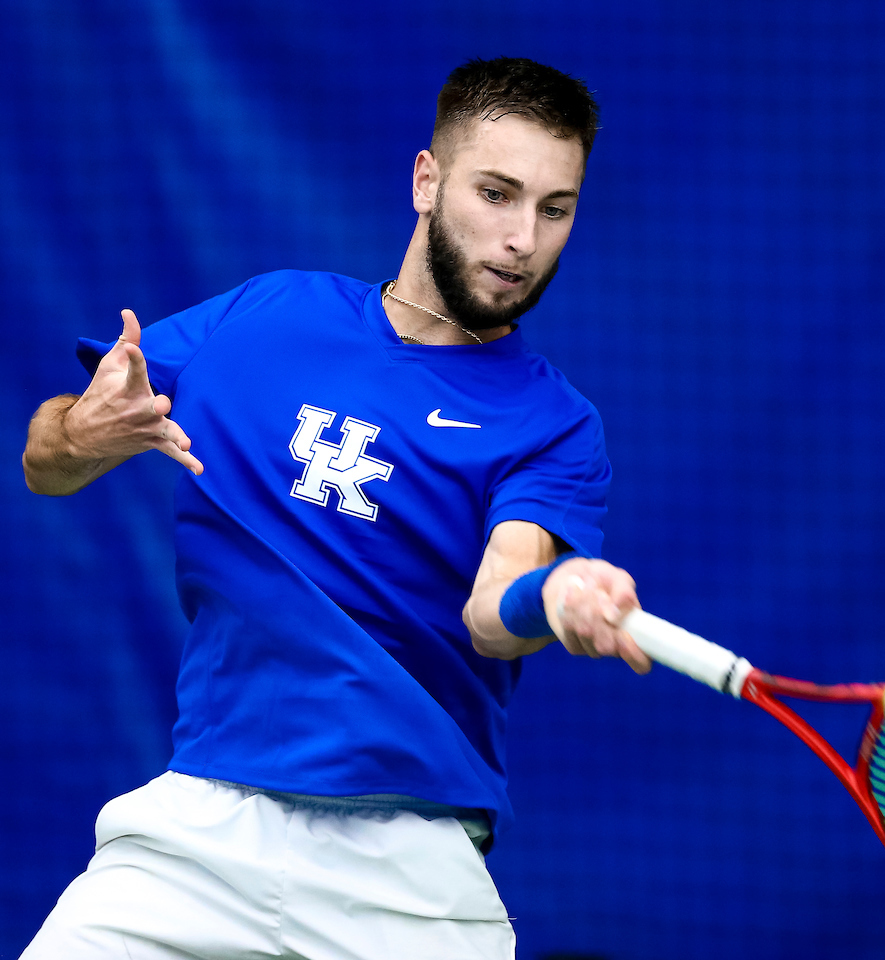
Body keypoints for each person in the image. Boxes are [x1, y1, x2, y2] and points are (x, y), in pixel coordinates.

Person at [20, 56, 650, 960]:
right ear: (426, 181)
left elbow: (492, 609)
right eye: (497, 194)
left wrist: (552, 596)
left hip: (408, 871)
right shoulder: (265, 313)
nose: (522, 239)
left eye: (555, 209)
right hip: (197, 833)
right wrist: (84, 429)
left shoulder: (553, 424)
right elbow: (46, 463)